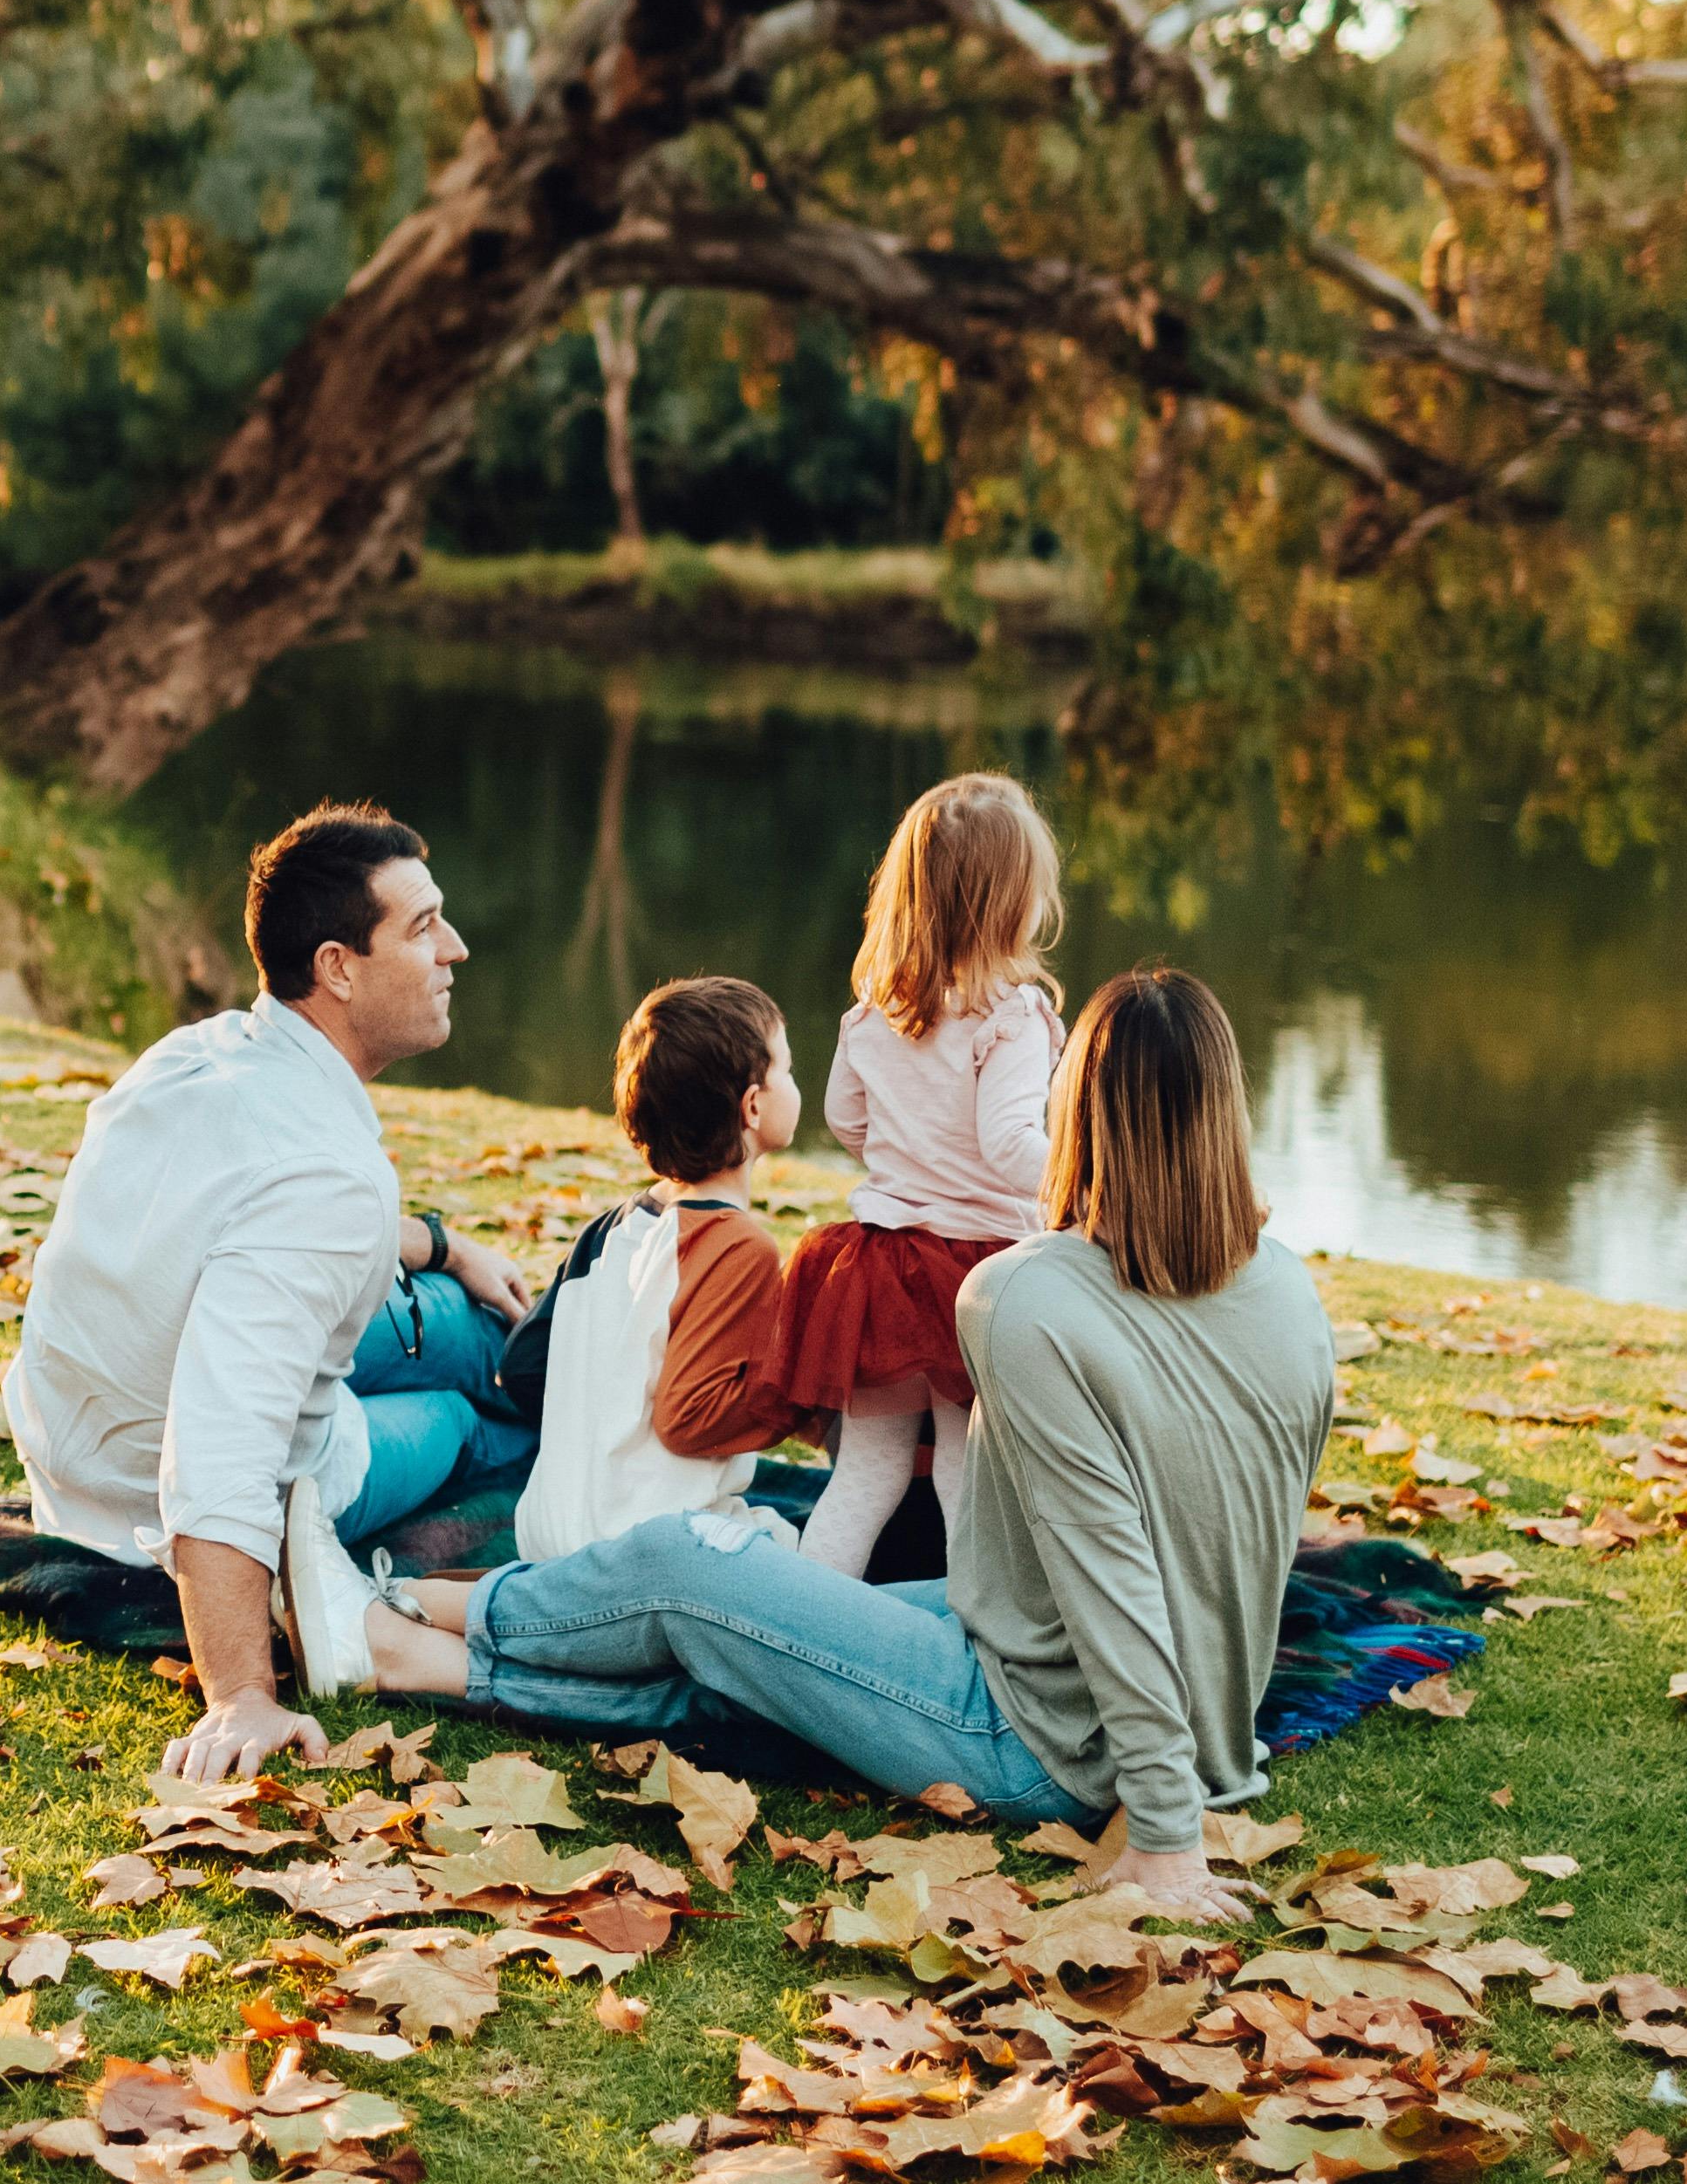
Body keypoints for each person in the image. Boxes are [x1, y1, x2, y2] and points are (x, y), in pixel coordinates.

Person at [360, 967, 1334, 1925]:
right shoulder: (1288, 1289)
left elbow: (1110, 1564)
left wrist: (1164, 1827)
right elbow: (1238, 1541)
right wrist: (1200, 1750)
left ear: (1072, 1110)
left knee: (691, 1562)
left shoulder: (1025, 1293)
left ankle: (411, 1612)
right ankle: (434, 1658)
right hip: (1126, 1690)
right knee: (749, 1641)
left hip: (1032, 1732)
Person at [3, 802, 529, 1780]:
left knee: (460, 1317)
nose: (454, 948)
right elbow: (221, 1442)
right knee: (459, 1419)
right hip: (156, 1475)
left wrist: (444, 1245)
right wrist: (240, 1696)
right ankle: (551, 1422)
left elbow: (257, 1221)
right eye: (421, 928)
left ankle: (533, 1357)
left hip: (80, 1429)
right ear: (336, 966)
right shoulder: (324, 1180)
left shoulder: (202, 1055)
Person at [777, 770, 1066, 1575]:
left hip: (878, 1263)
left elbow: (844, 1119)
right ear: (1011, 902)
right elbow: (1011, 1143)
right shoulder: (1011, 1019)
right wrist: (1081, 1185)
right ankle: (973, 1631)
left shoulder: (875, 1010)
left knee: (863, 1473)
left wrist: (905, 1157)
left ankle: (806, 1620)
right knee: (964, 1471)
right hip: (972, 1274)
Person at [514, 977, 807, 1562]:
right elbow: (690, 1418)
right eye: (789, 1069)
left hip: (546, 1535)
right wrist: (805, 1392)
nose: (797, 1084)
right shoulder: (738, 1245)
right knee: (802, 1541)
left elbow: (522, 1365)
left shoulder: (609, 1229)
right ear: (752, 1106)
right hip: (643, 1550)